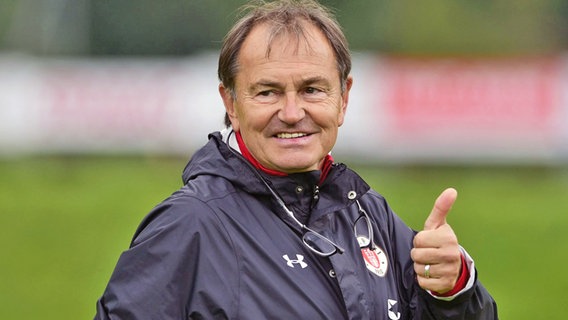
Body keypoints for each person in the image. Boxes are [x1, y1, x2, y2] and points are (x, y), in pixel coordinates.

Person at [94, 0, 498, 319]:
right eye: (267, 92)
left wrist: (452, 288)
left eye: (311, 90)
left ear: (343, 99)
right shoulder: (190, 226)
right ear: (230, 103)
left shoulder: (370, 215)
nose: (291, 112)